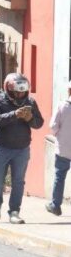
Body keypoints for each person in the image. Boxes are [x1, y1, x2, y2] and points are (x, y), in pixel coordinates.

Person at [0, 72, 44, 224]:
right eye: (17, 92)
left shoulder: (30, 102)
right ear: (9, 89)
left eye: (23, 92)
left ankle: (14, 211)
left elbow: (39, 123)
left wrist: (30, 118)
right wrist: (14, 115)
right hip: (1, 147)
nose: (20, 95)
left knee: (18, 182)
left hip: (22, 149)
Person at [47, 82, 71, 216]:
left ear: (69, 91)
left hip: (64, 148)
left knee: (60, 176)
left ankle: (55, 205)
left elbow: (53, 126)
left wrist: (57, 135)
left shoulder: (62, 106)